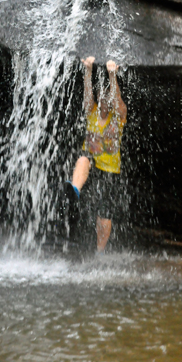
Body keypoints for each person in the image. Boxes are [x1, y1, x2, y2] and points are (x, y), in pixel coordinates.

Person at [66, 57, 127, 251]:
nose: (103, 101)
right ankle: (74, 189)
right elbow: (87, 94)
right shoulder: (91, 111)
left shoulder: (119, 116)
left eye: (106, 98)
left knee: (104, 214)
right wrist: (88, 71)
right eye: (100, 97)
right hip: (91, 167)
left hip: (109, 170)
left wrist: (112, 75)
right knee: (84, 157)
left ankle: (99, 252)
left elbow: (118, 101)